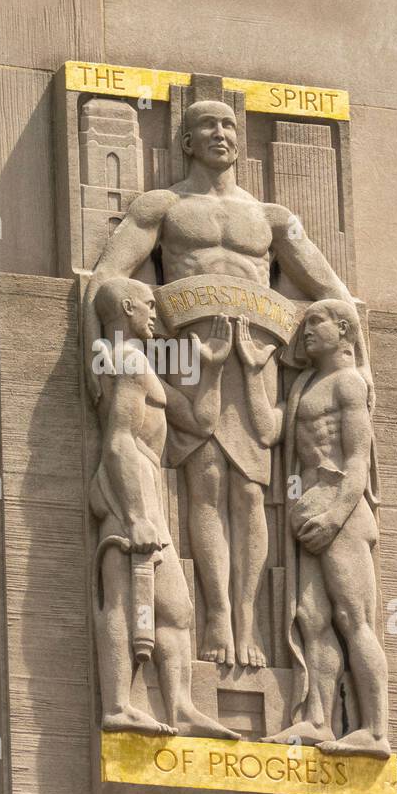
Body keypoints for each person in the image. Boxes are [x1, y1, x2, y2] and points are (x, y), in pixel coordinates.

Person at [83, 100, 369, 671]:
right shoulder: (162, 207)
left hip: (257, 360)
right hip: (188, 359)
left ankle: (245, 617)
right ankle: (216, 616)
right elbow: (108, 281)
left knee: (250, 496)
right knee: (206, 488)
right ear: (186, 141)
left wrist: (350, 361)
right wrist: (113, 346)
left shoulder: (271, 218)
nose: (222, 134)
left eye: (229, 125)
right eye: (208, 126)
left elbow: (334, 293)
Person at [237, 302, 390, 758]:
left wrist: (335, 516)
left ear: (344, 328)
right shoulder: (305, 383)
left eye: (315, 322)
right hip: (310, 513)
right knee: (311, 619)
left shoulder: (350, 383)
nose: (305, 331)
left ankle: (376, 730)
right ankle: (318, 720)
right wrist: (250, 371)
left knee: (355, 619)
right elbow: (269, 430)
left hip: (340, 513)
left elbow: (357, 461)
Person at [90, 276, 239, 739]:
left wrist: (212, 370)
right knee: (121, 596)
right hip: (128, 490)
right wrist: (135, 516)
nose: (155, 313)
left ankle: (179, 706)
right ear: (128, 306)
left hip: (148, 489)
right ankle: (118, 705)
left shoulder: (140, 364)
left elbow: (198, 421)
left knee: (175, 610)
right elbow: (116, 442)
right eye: (149, 305)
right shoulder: (127, 360)